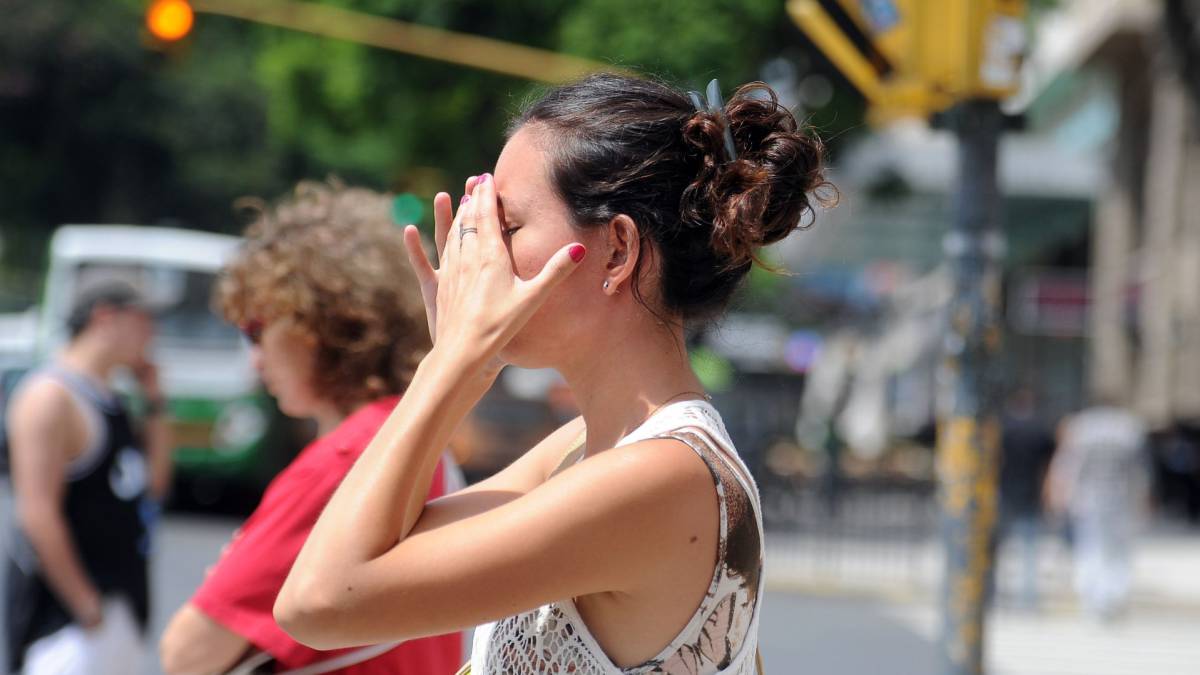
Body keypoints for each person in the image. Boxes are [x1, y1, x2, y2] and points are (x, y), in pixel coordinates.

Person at [274, 73, 831, 674]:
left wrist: (451, 363)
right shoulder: (581, 449)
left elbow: (319, 603)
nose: (477, 253)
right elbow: (385, 547)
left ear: (618, 250)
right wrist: (467, 359)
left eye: (506, 228)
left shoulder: (662, 476)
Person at [158, 181, 462, 674]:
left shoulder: (346, 460)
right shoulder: (415, 435)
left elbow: (187, 654)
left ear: (322, 322)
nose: (254, 359)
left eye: (257, 329)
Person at [4, 280, 173, 675]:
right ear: (105, 317)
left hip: (120, 602)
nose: (152, 334)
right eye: (144, 320)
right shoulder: (50, 397)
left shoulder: (110, 396)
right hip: (66, 623)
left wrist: (155, 401)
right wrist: (86, 606)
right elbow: (37, 512)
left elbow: (156, 484)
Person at [1046, 399, 1150, 620]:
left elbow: (1067, 468)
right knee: (1116, 551)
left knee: (1091, 548)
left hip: (1089, 500)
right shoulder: (1127, 429)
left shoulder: (1082, 429)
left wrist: (1061, 497)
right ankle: (1111, 596)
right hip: (1118, 500)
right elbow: (1139, 472)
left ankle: (1095, 597)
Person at [994, 386, 1056, 609]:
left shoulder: (1003, 428)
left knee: (997, 548)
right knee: (1029, 550)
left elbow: (995, 460)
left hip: (1005, 491)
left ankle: (993, 594)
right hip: (1030, 492)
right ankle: (1028, 599)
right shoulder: (1039, 430)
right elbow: (1049, 465)